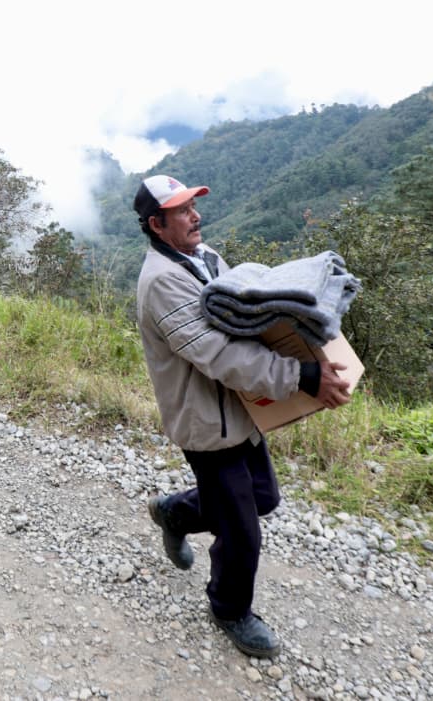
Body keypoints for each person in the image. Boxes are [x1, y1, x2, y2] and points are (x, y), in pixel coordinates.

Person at [134, 174, 351, 659]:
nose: (195, 216)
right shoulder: (163, 282)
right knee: (242, 530)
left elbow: (244, 317)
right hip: (207, 422)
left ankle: (175, 511)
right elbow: (217, 353)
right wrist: (302, 376)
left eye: (194, 206)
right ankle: (230, 608)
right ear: (156, 224)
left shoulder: (204, 258)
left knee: (263, 498)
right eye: (183, 211)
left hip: (240, 408)